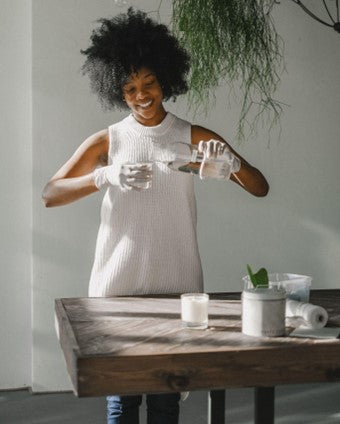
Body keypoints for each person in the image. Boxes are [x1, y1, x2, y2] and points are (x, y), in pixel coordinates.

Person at [42, 8, 269, 424]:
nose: (141, 95)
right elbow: (50, 194)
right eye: (129, 88)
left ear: (166, 79)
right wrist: (105, 175)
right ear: (117, 90)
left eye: (149, 83)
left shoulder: (193, 136)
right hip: (116, 289)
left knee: (167, 399)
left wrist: (228, 167)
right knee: (122, 401)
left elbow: (260, 186)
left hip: (178, 288)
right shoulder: (107, 140)